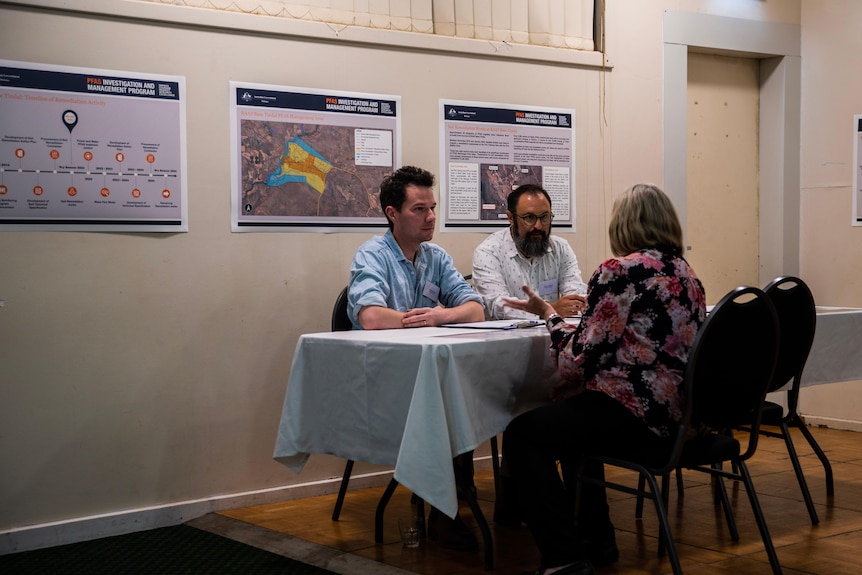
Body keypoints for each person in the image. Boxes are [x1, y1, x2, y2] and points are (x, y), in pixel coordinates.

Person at [500, 183, 707, 575]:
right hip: (682, 415)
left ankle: (563, 557)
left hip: (637, 416)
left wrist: (548, 315)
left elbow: (578, 358)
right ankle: (597, 540)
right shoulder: (687, 274)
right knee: (575, 417)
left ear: (623, 224)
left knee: (523, 434)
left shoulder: (619, 272)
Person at [347, 165, 485, 551]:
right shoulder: (372, 255)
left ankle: (451, 498)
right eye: (419, 209)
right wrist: (419, 320)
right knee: (449, 403)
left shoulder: (435, 256)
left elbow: (476, 309)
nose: (430, 218)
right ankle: (447, 506)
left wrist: (443, 314)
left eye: (433, 208)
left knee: (463, 396)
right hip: (383, 380)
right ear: (393, 213)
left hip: (427, 374)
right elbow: (372, 317)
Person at [472, 184, 588, 320]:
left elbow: (577, 299)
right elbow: (498, 307)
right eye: (529, 217)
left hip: (552, 336)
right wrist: (550, 310)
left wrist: (576, 305)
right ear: (510, 218)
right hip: (506, 339)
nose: (538, 226)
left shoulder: (560, 248)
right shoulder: (488, 253)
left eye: (545, 217)